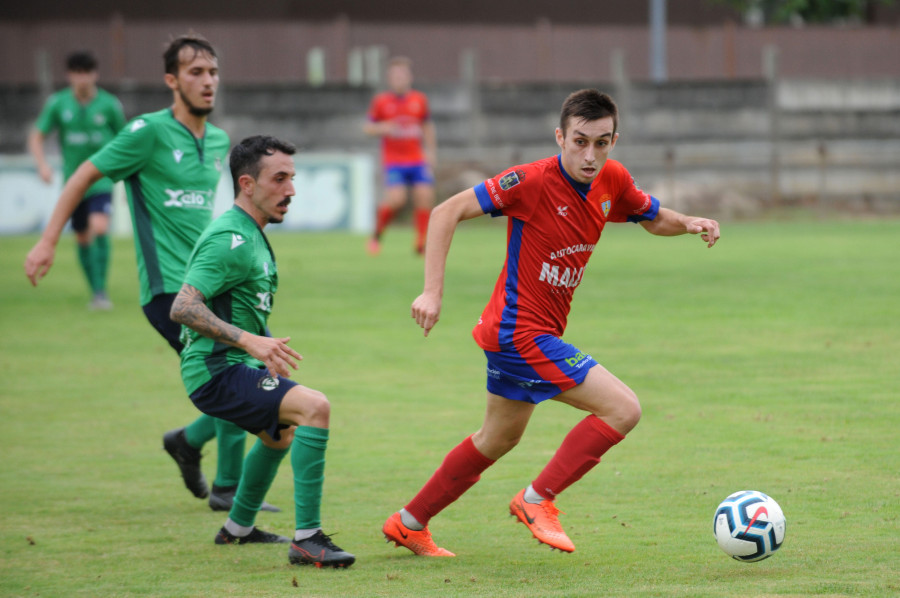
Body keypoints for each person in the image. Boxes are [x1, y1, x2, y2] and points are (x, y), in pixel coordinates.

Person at [382, 89, 721, 557]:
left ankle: (409, 522)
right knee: (623, 409)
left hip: (524, 334)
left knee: (496, 439)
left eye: (602, 143)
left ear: (613, 141)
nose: (590, 154)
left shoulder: (612, 179)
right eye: (579, 141)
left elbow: (651, 216)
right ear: (560, 136)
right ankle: (536, 499)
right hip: (520, 333)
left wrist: (687, 222)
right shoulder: (530, 181)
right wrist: (432, 292)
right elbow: (446, 211)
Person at [23, 34, 278, 514]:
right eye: (196, 73)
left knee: (247, 371)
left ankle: (187, 442)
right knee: (233, 373)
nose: (208, 82)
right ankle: (226, 487)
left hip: (210, 284)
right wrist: (48, 239)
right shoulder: (146, 133)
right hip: (167, 290)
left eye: (213, 72)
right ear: (171, 80)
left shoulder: (220, 140)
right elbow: (82, 175)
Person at [169, 135, 356, 568]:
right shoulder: (230, 238)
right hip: (215, 368)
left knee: (280, 433)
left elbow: (237, 304)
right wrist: (248, 341)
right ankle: (308, 539)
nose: (291, 189)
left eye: (293, 178)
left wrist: (260, 343)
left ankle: (237, 528)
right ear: (247, 184)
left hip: (230, 363)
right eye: (280, 178)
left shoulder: (252, 235)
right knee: (315, 408)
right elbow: (183, 306)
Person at [28, 51, 127, 310]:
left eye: (87, 72)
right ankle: (95, 290)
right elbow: (37, 136)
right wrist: (42, 164)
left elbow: (126, 140)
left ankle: (101, 292)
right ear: (70, 75)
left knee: (101, 227)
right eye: (77, 73)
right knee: (82, 237)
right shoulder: (58, 104)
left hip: (101, 180)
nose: (82, 78)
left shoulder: (109, 105)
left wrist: (128, 176)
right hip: (74, 184)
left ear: (95, 74)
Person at [363, 56, 436, 256]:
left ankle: (421, 243)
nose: (400, 79)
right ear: (390, 78)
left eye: (403, 75)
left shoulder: (419, 100)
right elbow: (368, 127)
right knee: (397, 200)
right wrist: (383, 128)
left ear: (409, 77)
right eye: (396, 75)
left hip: (417, 159)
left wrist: (431, 153)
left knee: (425, 196)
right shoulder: (381, 102)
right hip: (394, 161)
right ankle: (377, 235)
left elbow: (427, 127)